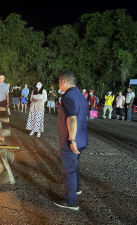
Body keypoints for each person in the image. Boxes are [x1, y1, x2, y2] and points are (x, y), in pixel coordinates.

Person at [54, 71, 88, 211]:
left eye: (59, 82)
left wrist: (72, 140)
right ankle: (76, 189)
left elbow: (72, 118)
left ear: (63, 81)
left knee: (69, 169)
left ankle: (71, 201)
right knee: (74, 165)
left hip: (72, 140)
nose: (59, 84)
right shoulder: (81, 95)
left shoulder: (67, 96)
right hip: (83, 138)